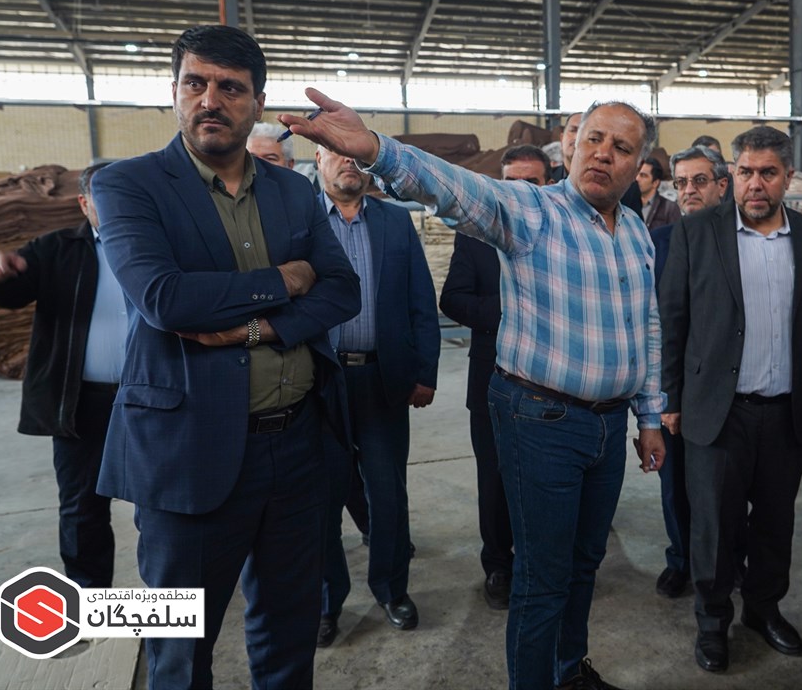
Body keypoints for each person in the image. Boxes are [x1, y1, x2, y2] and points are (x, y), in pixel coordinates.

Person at [281, 93, 666, 690]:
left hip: (608, 425)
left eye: (621, 147)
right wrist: (376, 149)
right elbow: (453, 188)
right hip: (543, 419)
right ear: (572, 146)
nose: (603, 154)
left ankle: (569, 671)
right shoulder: (532, 210)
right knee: (543, 577)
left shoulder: (636, 233)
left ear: (639, 163)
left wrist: (649, 416)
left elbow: (646, 325)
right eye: (594, 139)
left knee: (585, 562)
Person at [91, 25, 361, 690]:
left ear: (257, 103)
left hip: (296, 445)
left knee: (289, 630)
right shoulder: (129, 185)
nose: (210, 100)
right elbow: (165, 299)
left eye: (231, 88)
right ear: (174, 91)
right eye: (196, 83)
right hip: (187, 450)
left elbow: (342, 289)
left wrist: (253, 329)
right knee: (179, 648)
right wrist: (287, 279)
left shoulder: (293, 191)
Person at [659, 126, 802, 673]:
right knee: (713, 526)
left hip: (786, 411)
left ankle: (763, 610)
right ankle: (712, 622)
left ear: (788, 177)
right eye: (745, 172)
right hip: (718, 412)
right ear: (731, 176)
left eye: (768, 173)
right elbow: (671, 322)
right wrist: (669, 397)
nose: (755, 184)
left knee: (774, 523)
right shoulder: (696, 233)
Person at [0, 163, 125, 589]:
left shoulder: (160, 247)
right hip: (82, 402)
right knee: (82, 507)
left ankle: (163, 598)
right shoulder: (57, 248)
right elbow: (8, 293)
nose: (118, 206)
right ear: (84, 203)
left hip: (153, 398)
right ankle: (89, 597)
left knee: (161, 504)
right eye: (105, 198)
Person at [314, 144, 440, 646]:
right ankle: (327, 601)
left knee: (388, 493)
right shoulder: (299, 221)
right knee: (322, 498)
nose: (347, 161)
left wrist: (425, 372)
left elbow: (420, 301)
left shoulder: (394, 222)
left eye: (354, 154)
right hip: (319, 383)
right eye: (334, 153)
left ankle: (392, 588)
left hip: (382, 379)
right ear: (317, 161)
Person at [439, 144, 554, 611]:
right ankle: (499, 565)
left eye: (532, 182)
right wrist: (513, 310)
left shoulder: (566, 239)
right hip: (492, 382)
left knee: (547, 479)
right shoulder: (475, 236)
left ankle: (541, 563)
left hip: (555, 385)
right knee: (495, 478)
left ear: (549, 184)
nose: (521, 191)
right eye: (512, 183)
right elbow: (452, 300)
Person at [648, 144, 731, 599]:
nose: (688, 191)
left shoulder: (741, 242)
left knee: (726, 487)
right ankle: (681, 559)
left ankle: (729, 560)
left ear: (722, 185)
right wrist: (662, 395)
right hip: (673, 386)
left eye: (699, 181)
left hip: (726, 385)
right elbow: (655, 323)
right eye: (680, 183)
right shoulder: (658, 242)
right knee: (675, 481)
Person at [637, 157, 681, 230]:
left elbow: (676, 234)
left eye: (643, 175)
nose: (637, 178)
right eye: (637, 174)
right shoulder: (629, 203)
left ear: (655, 183)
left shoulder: (669, 208)